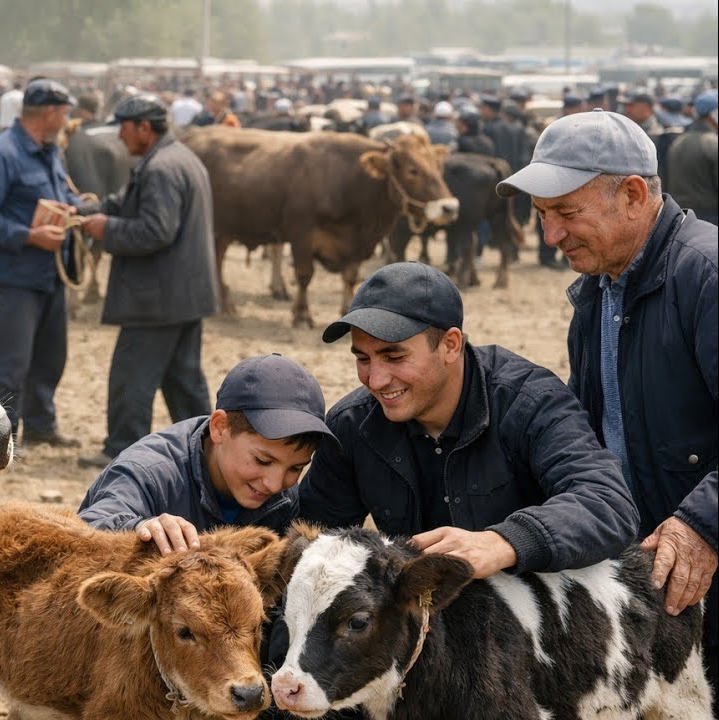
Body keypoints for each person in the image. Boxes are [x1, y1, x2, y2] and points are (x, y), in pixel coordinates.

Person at [497, 108, 718, 689]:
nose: (550, 236)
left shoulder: (707, 275)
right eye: (542, 216)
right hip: (651, 579)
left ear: (633, 195)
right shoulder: (599, 293)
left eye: (567, 213)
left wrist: (703, 524)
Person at [297, 261, 638, 582]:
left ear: (450, 345)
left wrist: (502, 543)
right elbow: (309, 542)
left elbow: (607, 504)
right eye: (363, 358)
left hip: (530, 623)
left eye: (394, 356)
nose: (376, 379)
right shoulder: (351, 424)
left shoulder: (530, 401)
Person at [75, 95, 218, 469]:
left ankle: (120, 449)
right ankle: (210, 448)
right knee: (183, 380)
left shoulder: (160, 169)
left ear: (143, 127)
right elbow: (126, 204)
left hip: (156, 299)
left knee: (131, 378)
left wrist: (106, 229)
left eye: (123, 127)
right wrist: (84, 210)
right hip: (183, 296)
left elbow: (156, 230)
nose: (120, 137)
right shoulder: (176, 159)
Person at [78, 353, 335, 551]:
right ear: (219, 427)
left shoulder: (281, 495)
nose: (275, 484)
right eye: (262, 460)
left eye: (296, 468)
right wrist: (138, 527)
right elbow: (84, 530)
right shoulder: (149, 473)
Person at [0, 78, 83, 454]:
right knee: (9, 363)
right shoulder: (0, 154)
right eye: (64, 114)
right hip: (15, 278)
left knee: (50, 356)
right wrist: (28, 236)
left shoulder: (50, 152)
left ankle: (41, 425)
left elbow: (61, 194)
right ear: (49, 114)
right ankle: (1, 436)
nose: (66, 121)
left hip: (49, 275)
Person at [665, 89, 718, 225]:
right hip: (711, 221)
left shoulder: (678, 142)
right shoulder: (713, 143)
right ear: (714, 115)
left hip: (683, 219)